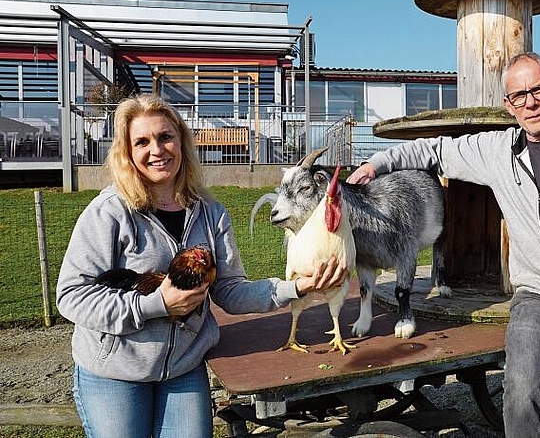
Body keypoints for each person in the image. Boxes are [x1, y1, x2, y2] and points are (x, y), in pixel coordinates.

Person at [347, 52, 540, 437]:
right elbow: (432, 150)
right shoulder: (498, 152)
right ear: (509, 106)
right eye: (518, 96)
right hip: (539, 296)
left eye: (539, 90)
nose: (530, 102)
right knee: (519, 394)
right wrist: (377, 165)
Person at [56, 94, 347, 438]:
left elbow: (230, 291)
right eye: (142, 141)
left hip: (182, 366)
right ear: (127, 152)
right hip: (114, 368)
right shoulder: (109, 213)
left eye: (165, 137)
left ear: (181, 141)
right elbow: (71, 295)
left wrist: (297, 286)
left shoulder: (210, 213)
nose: (157, 150)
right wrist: (157, 305)